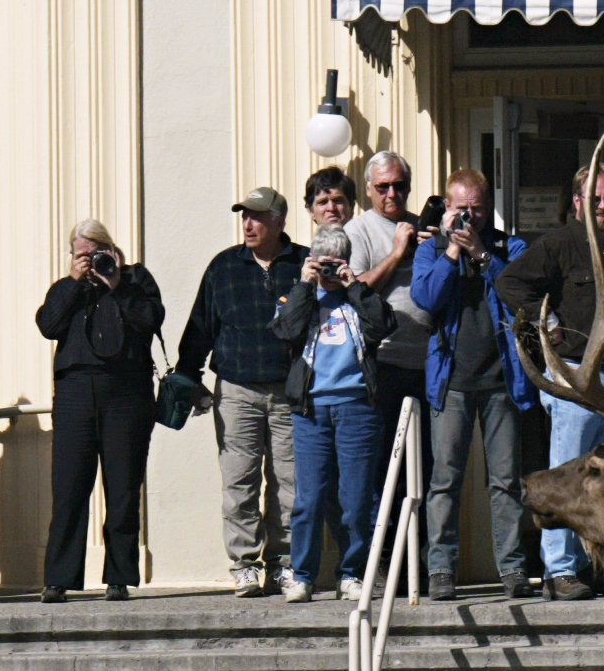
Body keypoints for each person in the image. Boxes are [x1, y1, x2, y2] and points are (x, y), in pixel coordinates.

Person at [499, 161, 604, 599]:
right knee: (568, 474)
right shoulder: (559, 244)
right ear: (577, 202)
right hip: (573, 378)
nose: (603, 206)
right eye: (594, 199)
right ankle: (559, 569)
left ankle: (591, 567)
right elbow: (509, 283)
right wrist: (550, 322)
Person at [408, 168, 534, 600]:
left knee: (506, 481)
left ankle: (514, 569)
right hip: (452, 382)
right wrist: (449, 256)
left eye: (478, 209)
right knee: (444, 480)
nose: (470, 218)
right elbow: (425, 299)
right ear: (447, 207)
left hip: (502, 382)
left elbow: (518, 295)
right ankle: (441, 570)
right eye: (462, 209)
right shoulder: (431, 250)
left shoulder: (508, 246)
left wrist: (482, 255)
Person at [176, 185, 307, 597]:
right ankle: (245, 564)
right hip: (235, 390)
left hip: (290, 390)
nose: (248, 224)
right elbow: (200, 327)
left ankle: (284, 564)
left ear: (279, 221)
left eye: (257, 216)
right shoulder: (224, 267)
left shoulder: (303, 262)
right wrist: (188, 377)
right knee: (240, 481)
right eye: (244, 216)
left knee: (290, 482)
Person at [37, 219, 164, 603]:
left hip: (126, 393)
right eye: (82, 255)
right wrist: (75, 283)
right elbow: (48, 325)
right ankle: (59, 578)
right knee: (69, 488)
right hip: (76, 394)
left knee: (123, 488)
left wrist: (117, 284)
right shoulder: (66, 289)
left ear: (112, 250)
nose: (90, 261)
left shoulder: (135, 281)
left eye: (97, 253)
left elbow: (151, 320)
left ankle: (119, 577)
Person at [272, 223, 392, 602]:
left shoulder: (359, 297)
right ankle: (302, 575)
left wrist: (353, 284)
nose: (328, 271)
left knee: (356, 499)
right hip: (312, 410)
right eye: (322, 263)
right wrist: (304, 285)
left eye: (334, 263)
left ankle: (351, 573)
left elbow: (383, 325)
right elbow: (285, 333)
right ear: (310, 262)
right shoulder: (300, 298)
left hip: (357, 407)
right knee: (308, 498)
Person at [347, 152, 427, 491]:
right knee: (383, 466)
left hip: (428, 363)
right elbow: (355, 290)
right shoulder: (359, 229)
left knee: (422, 467)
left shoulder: (423, 225)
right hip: (383, 363)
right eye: (383, 187)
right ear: (369, 189)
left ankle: (419, 544)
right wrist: (396, 254)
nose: (391, 194)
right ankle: (384, 543)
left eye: (399, 186)